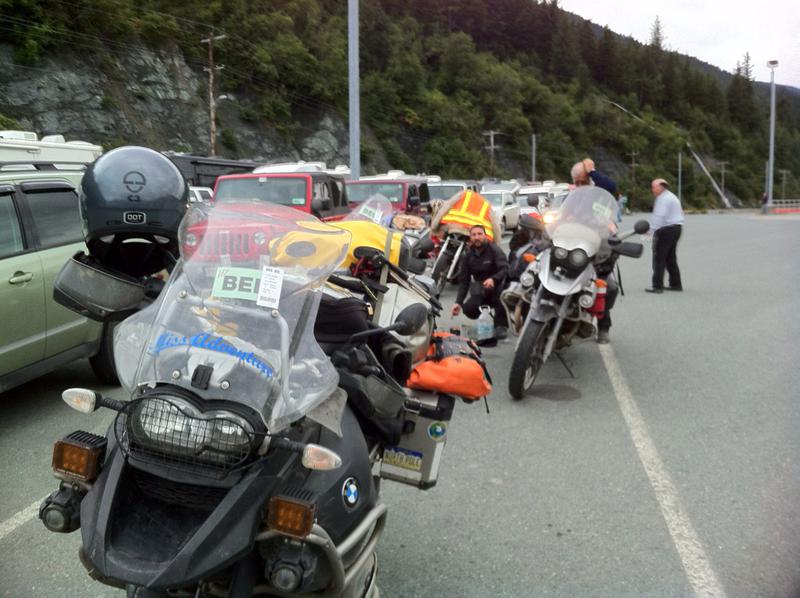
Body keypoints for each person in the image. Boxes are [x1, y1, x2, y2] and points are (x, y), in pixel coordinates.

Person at [570, 158, 618, 344]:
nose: (580, 184)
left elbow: (612, 186)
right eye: (577, 182)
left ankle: (604, 326)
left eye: (584, 180)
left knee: (608, 287)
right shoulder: (572, 197)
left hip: (598, 248)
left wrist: (592, 171)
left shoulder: (600, 194)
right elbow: (559, 217)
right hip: (572, 247)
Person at [451, 225, 509, 340]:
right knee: (468, 309)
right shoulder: (467, 256)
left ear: (485, 236)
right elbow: (464, 281)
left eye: (479, 234)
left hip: (499, 287)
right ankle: (485, 317)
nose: (477, 237)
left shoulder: (494, 250)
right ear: (470, 238)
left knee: (501, 295)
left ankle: (501, 325)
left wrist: (494, 279)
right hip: (481, 289)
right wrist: (458, 302)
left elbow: (505, 269)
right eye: (474, 235)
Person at [646, 178, 684, 293]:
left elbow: (659, 216)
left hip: (667, 229)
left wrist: (651, 231)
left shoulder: (663, 199)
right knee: (670, 257)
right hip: (676, 227)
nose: (652, 189)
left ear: (661, 187)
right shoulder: (670, 196)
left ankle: (657, 285)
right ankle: (676, 284)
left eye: (653, 187)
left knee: (659, 257)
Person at [430, 189, 503, 244]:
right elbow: (496, 226)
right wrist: (496, 246)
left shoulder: (463, 194)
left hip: (453, 228)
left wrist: (434, 226)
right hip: (474, 235)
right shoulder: (487, 205)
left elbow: (446, 207)